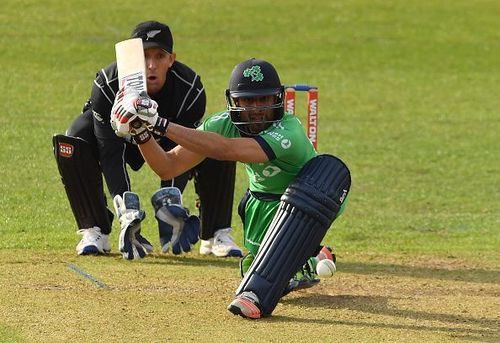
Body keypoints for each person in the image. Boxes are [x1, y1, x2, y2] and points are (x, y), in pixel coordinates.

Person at [111, 58, 351, 318]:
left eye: (263, 99)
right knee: (252, 265)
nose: (257, 108)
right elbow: (168, 166)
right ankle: (310, 258)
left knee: (266, 274)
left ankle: (291, 266)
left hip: (314, 200)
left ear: (278, 98)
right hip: (261, 202)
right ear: (234, 101)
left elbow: (226, 149)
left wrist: (159, 123)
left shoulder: (288, 131)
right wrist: (140, 132)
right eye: (248, 101)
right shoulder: (223, 123)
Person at [52, 20, 243, 259]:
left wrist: (169, 201)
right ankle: (95, 231)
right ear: (130, 60)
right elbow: (110, 152)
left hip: (167, 143)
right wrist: (126, 210)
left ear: (171, 59)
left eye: (159, 56)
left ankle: (215, 233)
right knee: (75, 136)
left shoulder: (190, 90)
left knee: (214, 136)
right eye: (144, 56)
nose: (151, 65)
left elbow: (185, 149)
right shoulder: (107, 85)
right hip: (116, 139)